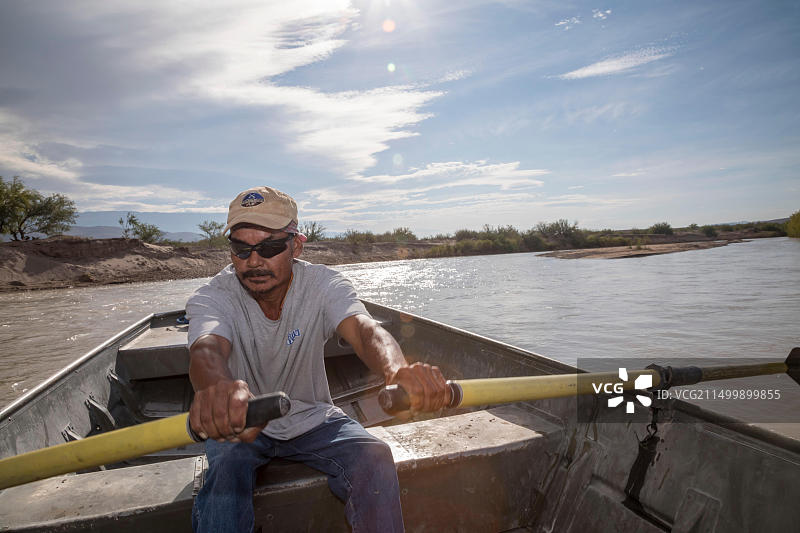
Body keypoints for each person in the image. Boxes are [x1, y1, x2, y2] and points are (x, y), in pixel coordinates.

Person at [186, 186, 449, 533]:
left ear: (296, 245)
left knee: (375, 455)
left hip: (312, 417)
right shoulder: (214, 296)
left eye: (268, 247)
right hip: (241, 423)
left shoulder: (324, 285)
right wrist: (218, 388)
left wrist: (396, 370)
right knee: (225, 468)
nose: (253, 261)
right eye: (241, 249)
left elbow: (364, 329)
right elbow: (206, 348)